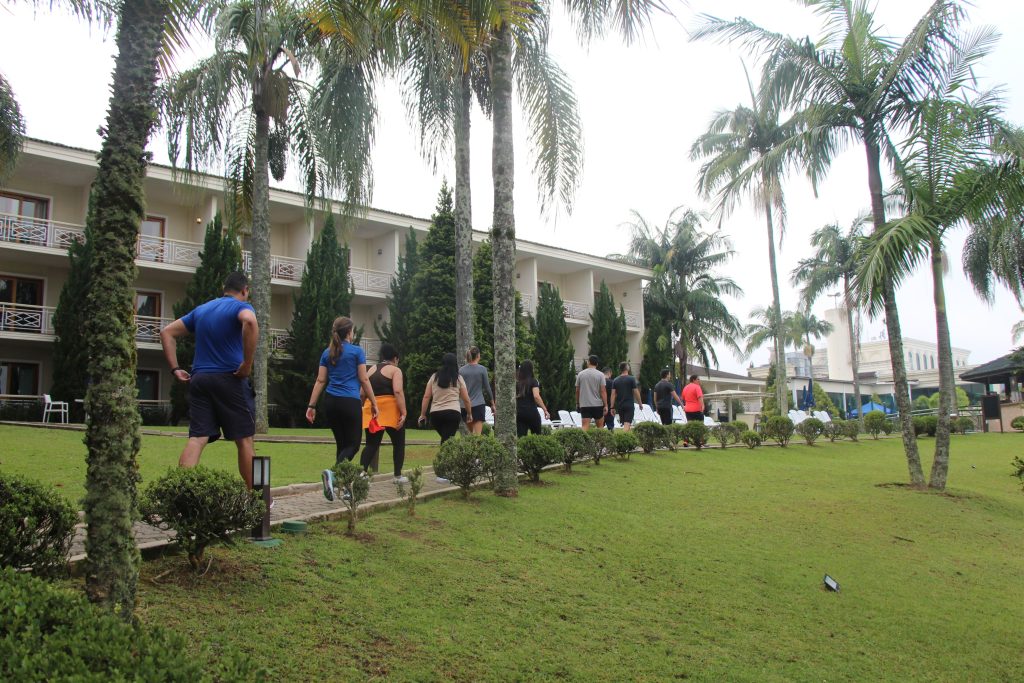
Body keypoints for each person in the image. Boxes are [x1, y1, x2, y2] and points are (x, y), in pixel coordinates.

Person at [160, 272, 259, 488]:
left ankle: (179, 493)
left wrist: (175, 368)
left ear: (224, 289)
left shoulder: (202, 310)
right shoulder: (240, 307)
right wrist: (247, 364)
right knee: (245, 440)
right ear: (245, 290)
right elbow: (250, 322)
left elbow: (166, 332)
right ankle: (261, 497)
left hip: (200, 379)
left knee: (197, 438)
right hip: (230, 379)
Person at [306, 317, 378, 501]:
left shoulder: (327, 353)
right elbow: (364, 379)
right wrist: (374, 403)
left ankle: (345, 488)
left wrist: (311, 405)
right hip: (349, 402)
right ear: (348, 332)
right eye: (352, 331)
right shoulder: (356, 352)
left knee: (343, 445)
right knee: (353, 445)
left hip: (331, 402)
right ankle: (332, 473)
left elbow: (321, 380)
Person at [358, 343, 407, 483]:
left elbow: (362, 393)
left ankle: (362, 473)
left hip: (373, 410)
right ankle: (397, 475)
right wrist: (403, 412)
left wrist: (363, 407)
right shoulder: (395, 370)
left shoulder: (371, 369)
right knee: (398, 443)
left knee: (371, 444)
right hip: (391, 410)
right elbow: (397, 391)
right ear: (395, 358)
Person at [419, 352, 473, 443]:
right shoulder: (458, 378)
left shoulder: (434, 377)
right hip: (453, 413)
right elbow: (466, 399)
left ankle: (448, 455)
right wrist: (469, 413)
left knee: (446, 440)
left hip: (436, 415)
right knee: (447, 441)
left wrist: (423, 414)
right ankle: (447, 456)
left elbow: (426, 396)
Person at [460, 346, 495, 435]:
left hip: (465, 407)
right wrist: (492, 403)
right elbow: (487, 387)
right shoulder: (482, 369)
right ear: (478, 355)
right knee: (477, 436)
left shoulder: (461, 370)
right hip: (478, 404)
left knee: (471, 433)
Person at [516, 359, 550, 436]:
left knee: (521, 437)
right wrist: (545, 409)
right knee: (537, 435)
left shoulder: (518, 383)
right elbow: (536, 396)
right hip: (531, 412)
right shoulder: (533, 381)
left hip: (519, 413)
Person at [575, 355, 608, 429]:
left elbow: (577, 390)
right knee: (600, 427)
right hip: (598, 405)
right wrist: (606, 405)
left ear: (588, 362)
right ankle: (600, 441)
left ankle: (583, 440)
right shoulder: (601, 375)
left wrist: (577, 403)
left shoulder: (580, 374)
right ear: (597, 364)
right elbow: (603, 391)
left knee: (585, 426)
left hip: (585, 404)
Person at [609, 362, 641, 431]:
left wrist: (612, 407)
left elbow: (613, 394)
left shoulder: (615, 380)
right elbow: (636, 392)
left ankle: (626, 439)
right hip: (629, 405)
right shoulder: (631, 379)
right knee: (627, 424)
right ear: (627, 368)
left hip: (620, 405)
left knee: (625, 424)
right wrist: (640, 404)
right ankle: (622, 439)